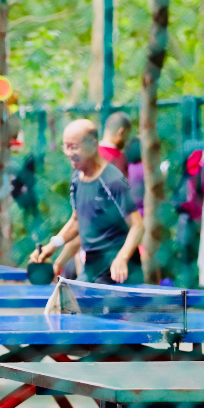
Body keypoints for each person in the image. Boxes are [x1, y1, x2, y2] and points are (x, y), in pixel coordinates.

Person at [30, 118, 144, 285]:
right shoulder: (76, 178)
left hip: (116, 265)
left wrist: (122, 258)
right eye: (65, 146)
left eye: (74, 147)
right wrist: (51, 247)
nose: (68, 152)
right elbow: (76, 221)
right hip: (91, 264)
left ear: (92, 144)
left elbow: (138, 225)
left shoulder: (112, 180)